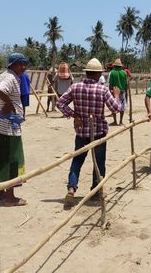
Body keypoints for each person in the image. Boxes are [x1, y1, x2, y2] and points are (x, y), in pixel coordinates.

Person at [56, 58, 123, 206]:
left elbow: (60, 103)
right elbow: (117, 108)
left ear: (87, 73)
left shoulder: (75, 87)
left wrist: (75, 115)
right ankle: (96, 190)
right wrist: (117, 95)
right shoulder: (102, 89)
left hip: (81, 131)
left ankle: (72, 188)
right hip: (98, 131)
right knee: (99, 162)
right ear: (99, 74)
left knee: (77, 160)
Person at [0, 53, 28, 206]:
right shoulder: (10, 78)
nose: (23, 67)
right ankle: (10, 197)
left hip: (0, 125)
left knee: (2, 157)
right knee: (13, 160)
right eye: (20, 64)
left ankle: (0, 191)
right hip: (10, 126)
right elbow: (0, 90)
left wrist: (0, 101)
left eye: (24, 64)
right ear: (12, 65)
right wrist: (8, 104)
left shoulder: (5, 75)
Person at [109, 58, 128, 125]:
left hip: (114, 92)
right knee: (122, 107)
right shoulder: (124, 73)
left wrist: (110, 92)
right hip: (122, 92)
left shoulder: (112, 73)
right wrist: (126, 94)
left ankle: (115, 121)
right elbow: (126, 84)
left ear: (114, 66)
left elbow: (110, 84)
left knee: (113, 106)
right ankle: (120, 121)